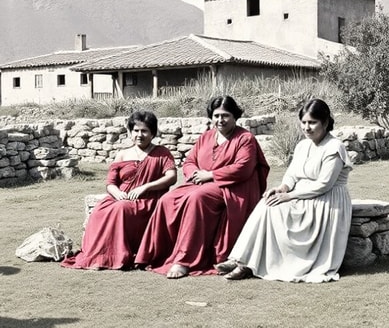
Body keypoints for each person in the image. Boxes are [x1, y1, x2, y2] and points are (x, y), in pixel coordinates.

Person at [217, 99, 352, 282]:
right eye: (303, 122)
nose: (307, 127)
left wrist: (289, 196)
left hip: (325, 201)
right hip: (302, 196)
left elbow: (324, 185)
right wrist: (282, 187)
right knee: (267, 203)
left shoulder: (334, 147)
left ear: (325, 122)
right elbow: (292, 174)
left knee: (275, 209)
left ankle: (246, 264)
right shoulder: (303, 145)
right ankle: (241, 259)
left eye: (312, 122)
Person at [134, 96, 269, 278]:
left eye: (225, 115)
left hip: (231, 187)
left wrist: (211, 174)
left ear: (235, 116)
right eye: (216, 115)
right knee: (167, 199)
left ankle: (185, 260)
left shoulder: (245, 138)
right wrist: (195, 174)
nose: (220, 120)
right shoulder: (206, 137)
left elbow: (243, 168)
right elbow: (190, 161)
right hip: (200, 182)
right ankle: (155, 254)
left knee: (197, 199)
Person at [61, 111, 177, 270]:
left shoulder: (161, 153)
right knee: (99, 212)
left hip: (146, 199)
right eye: (136, 131)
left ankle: (117, 257)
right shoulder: (122, 154)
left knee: (121, 209)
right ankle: (97, 256)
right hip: (119, 197)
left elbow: (171, 177)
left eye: (144, 131)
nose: (139, 135)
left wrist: (146, 186)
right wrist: (117, 194)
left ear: (153, 133)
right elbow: (110, 183)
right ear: (130, 132)